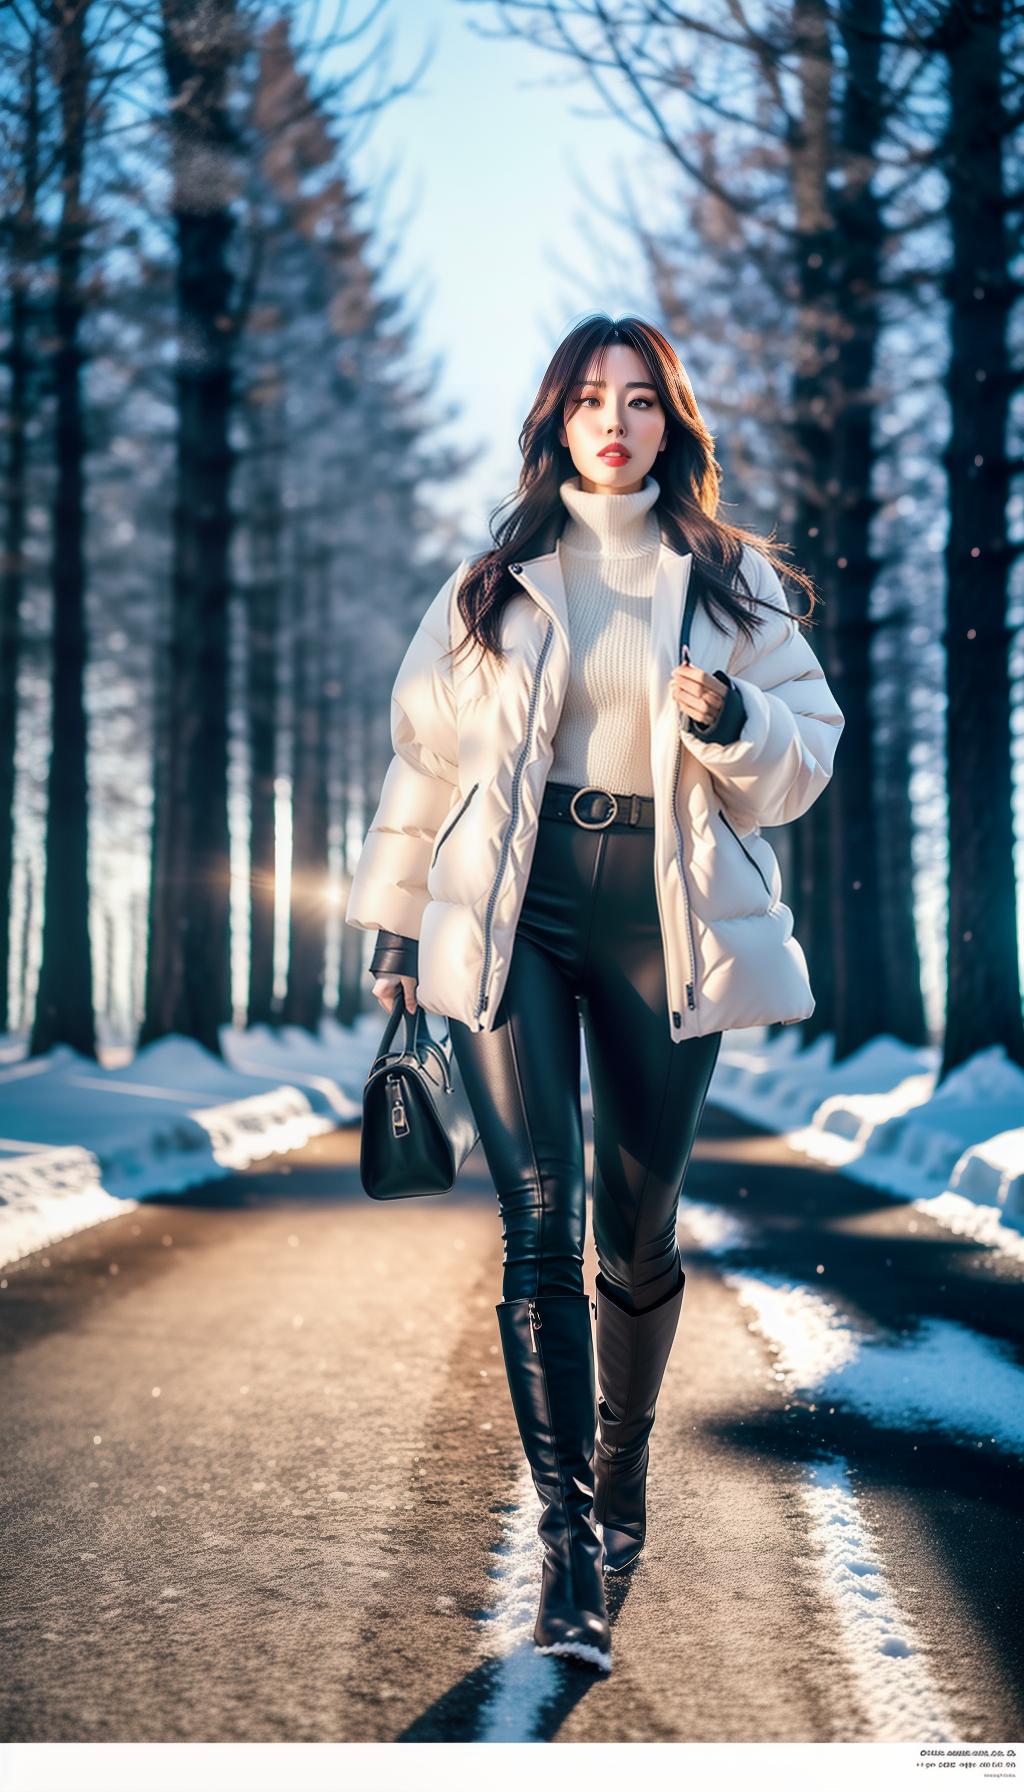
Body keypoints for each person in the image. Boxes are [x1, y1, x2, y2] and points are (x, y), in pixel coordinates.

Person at [345, 314, 845, 1677]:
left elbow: (808, 760)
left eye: (636, 401)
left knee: (636, 1228)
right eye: (587, 401)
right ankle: (569, 1550)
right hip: (516, 911)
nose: (612, 424)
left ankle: (620, 1479)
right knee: (539, 1217)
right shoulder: (489, 585)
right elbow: (423, 765)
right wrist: (396, 923)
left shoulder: (735, 584)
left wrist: (737, 724)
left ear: (670, 422)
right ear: (556, 422)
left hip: (660, 921)